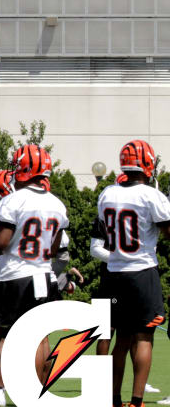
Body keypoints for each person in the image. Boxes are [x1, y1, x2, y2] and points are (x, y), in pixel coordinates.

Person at [0, 145, 68, 407]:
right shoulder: (56, 203)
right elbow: (54, 248)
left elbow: (2, 244)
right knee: (40, 337)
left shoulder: (12, 201)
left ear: (23, 169)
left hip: (13, 276)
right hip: (43, 274)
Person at [92, 140, 170, 407]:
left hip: (113, 273)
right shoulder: (151, 195)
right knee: (143, 337)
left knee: (120, 339)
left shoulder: (106, 194)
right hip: (142, 272)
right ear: (146, 163)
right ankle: (136, 401)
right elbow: (167, 231)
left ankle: (113, 399)